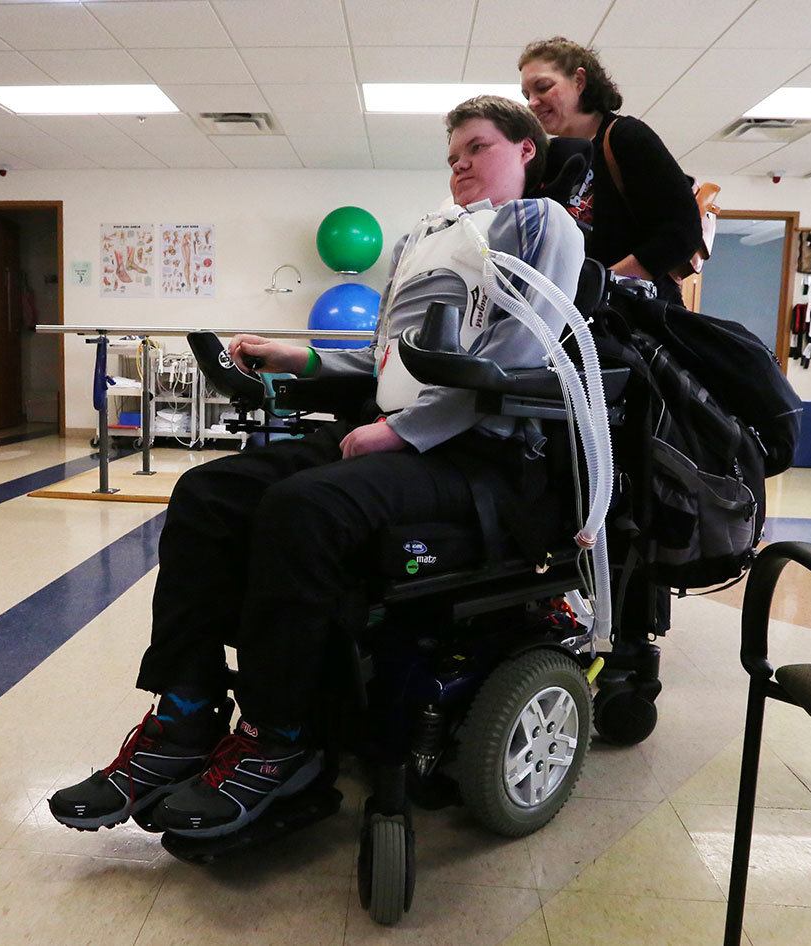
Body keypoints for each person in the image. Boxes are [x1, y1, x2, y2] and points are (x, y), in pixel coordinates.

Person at [48, 95, 585, 839]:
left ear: (526, 151)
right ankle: (185, 712)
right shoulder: (422, 241)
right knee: (208, 490)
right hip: (389, 430)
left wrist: (402, 433)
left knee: (304, 508)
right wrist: (296, 354)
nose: (459, 161)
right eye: (452, 152)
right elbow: (383, 359)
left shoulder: (540, 226)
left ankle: (280, 738)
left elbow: (514, 361)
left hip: (477, 457)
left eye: (477, 146)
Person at [519, 37, 702, 305]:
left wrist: (600, 285)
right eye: (527, 96)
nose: (532, 103)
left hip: (634, 318)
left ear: (579, 81)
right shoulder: (547, 159)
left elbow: (682, 232)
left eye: (543, 87)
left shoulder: (625, 136)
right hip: (570, 315)